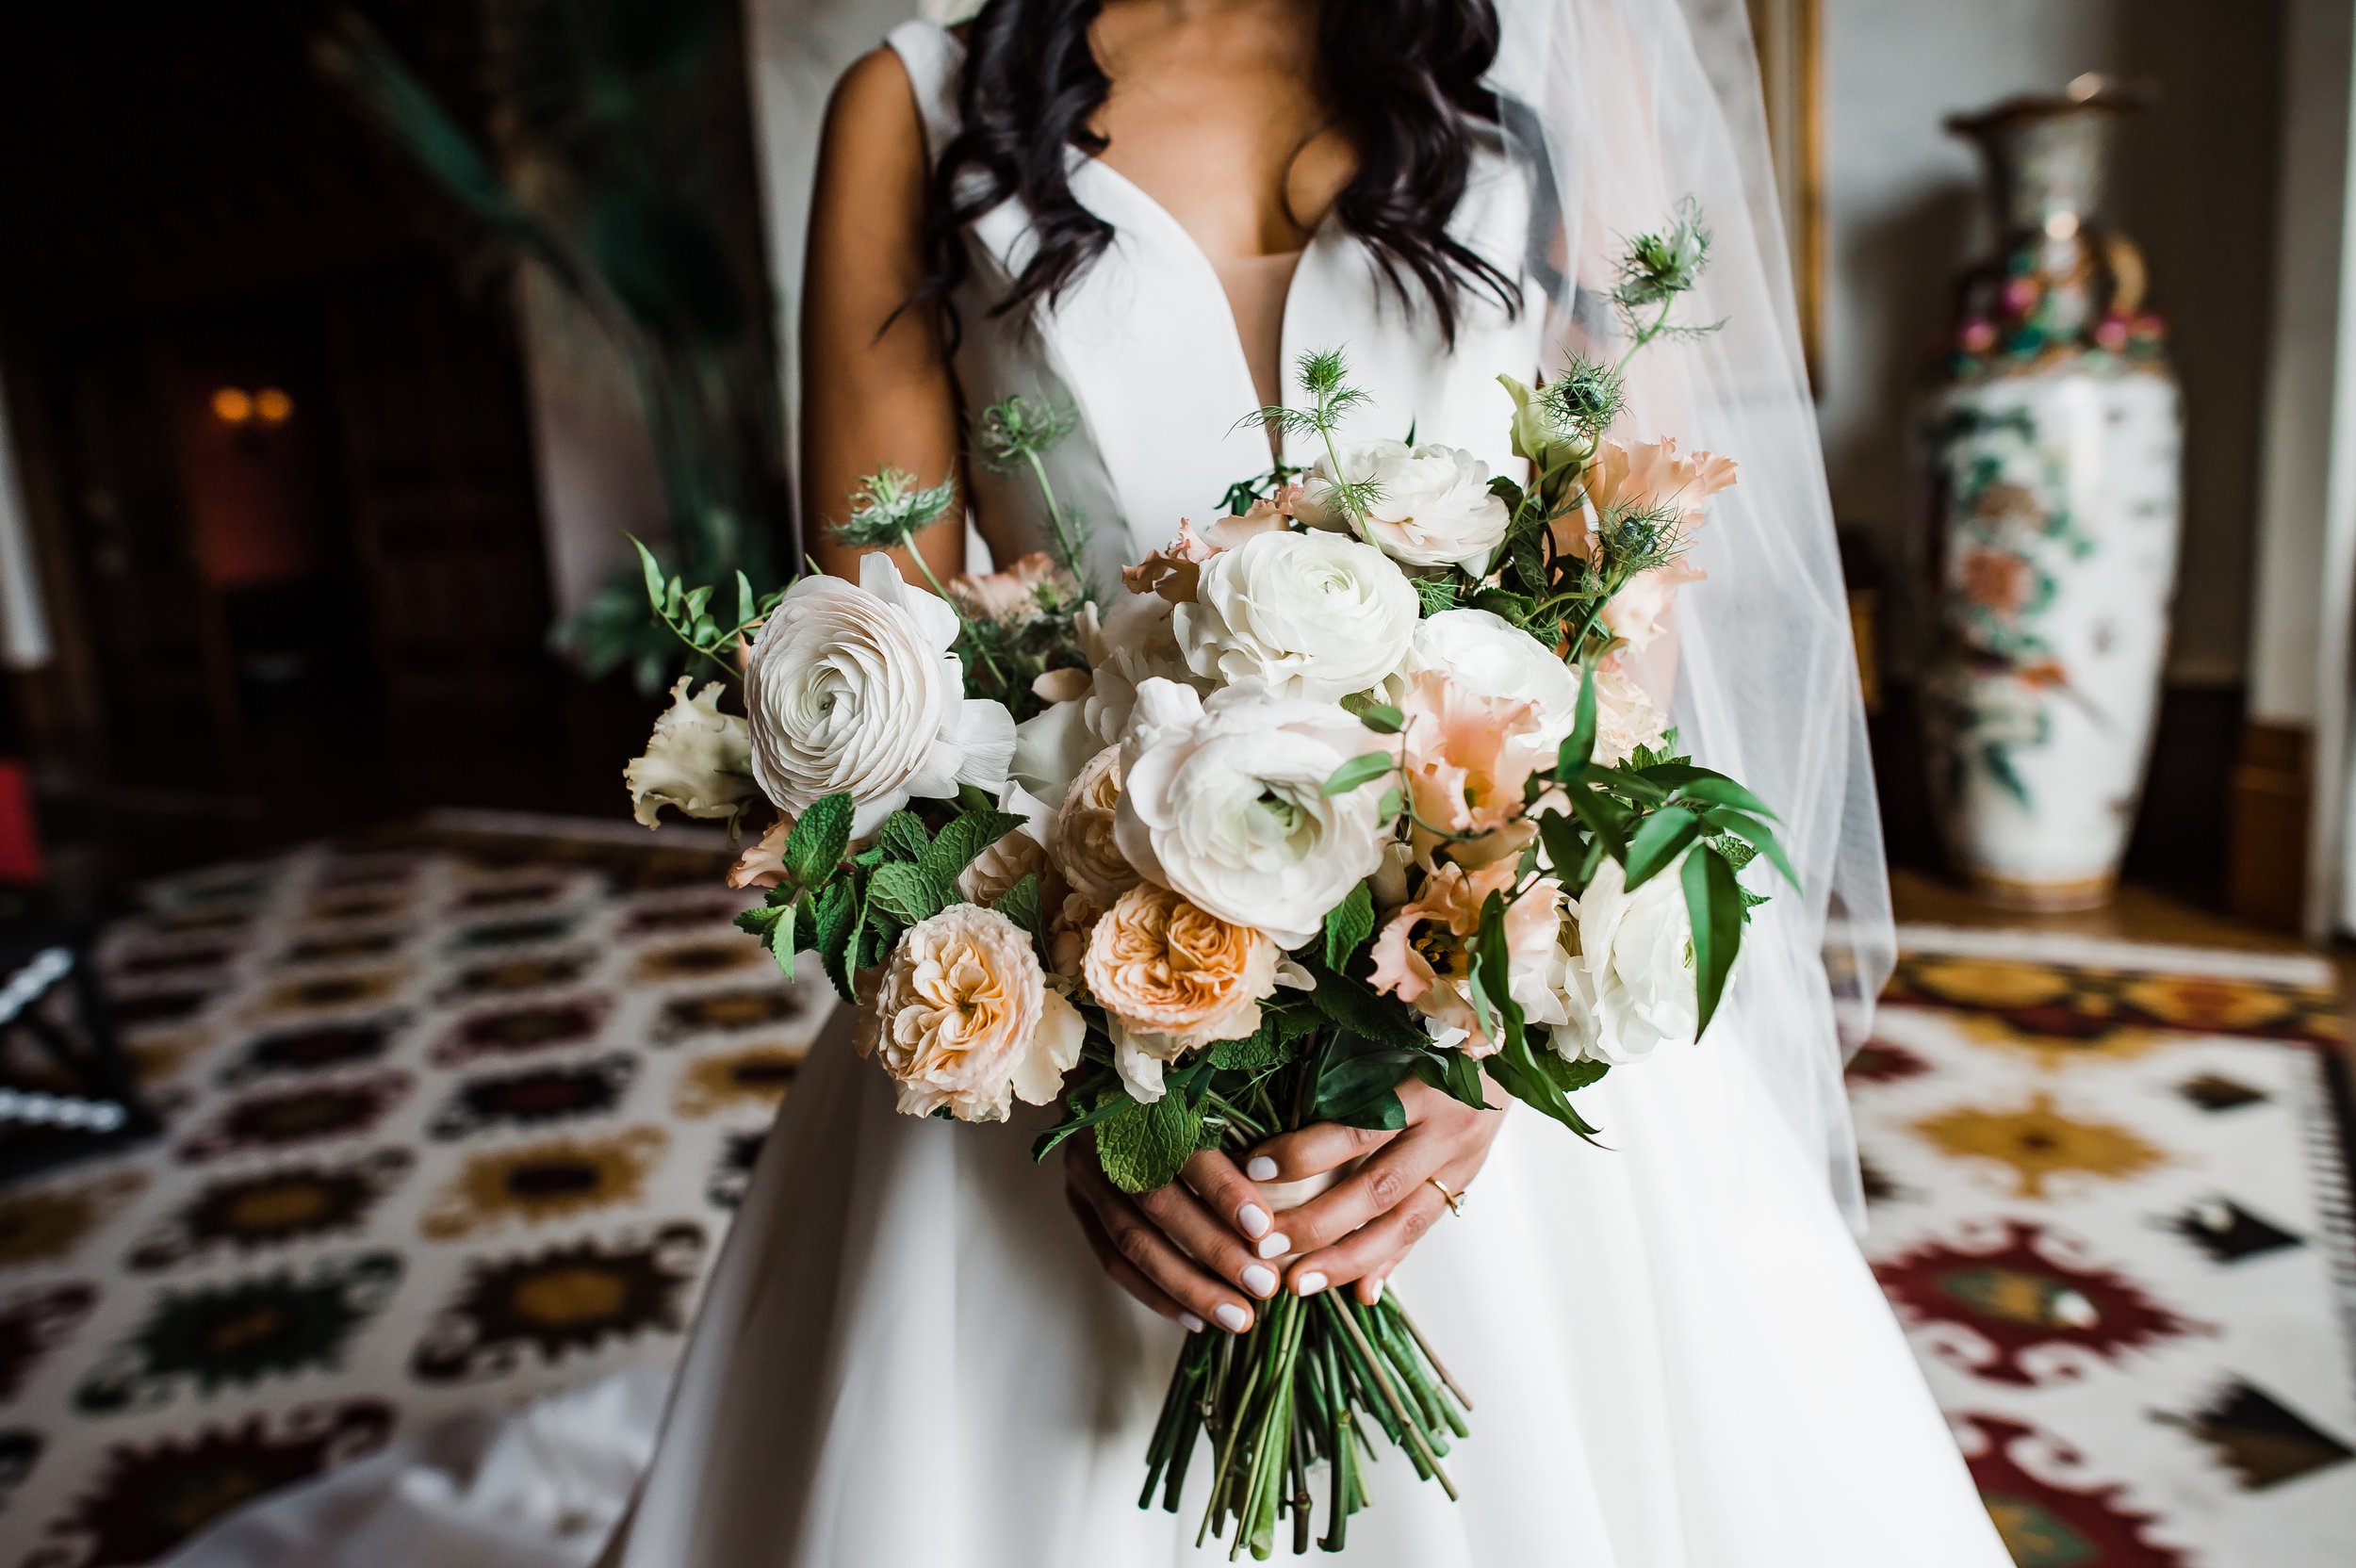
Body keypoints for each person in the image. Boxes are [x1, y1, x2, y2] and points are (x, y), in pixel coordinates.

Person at [590, 2, 2014, 1565]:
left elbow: (1622, 586)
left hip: (1481, 954)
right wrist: (1093, 1104)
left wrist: (1484, 1032)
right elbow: (877, 685)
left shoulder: (1551, 52)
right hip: (1084, 986)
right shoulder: (911, 104)